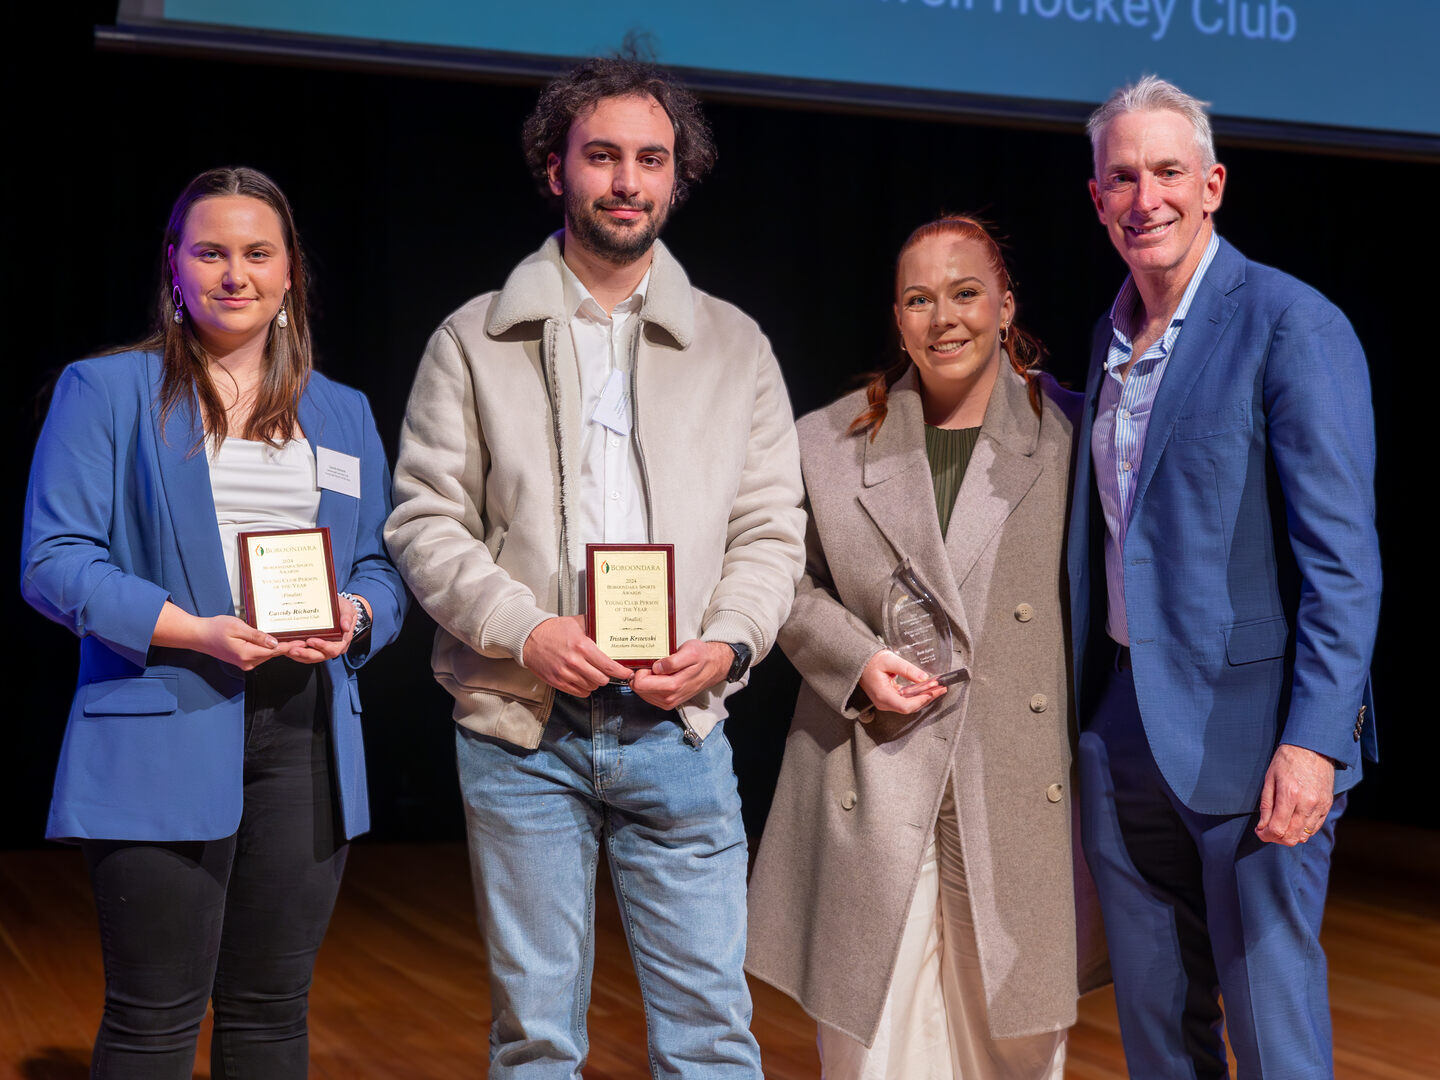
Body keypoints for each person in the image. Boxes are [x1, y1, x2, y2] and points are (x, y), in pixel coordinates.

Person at [383, 56, 806, 1078]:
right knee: (535, 1038)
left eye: (651, 159)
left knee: (712, 1034)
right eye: (603, 156)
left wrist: (729, 643)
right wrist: (525, 630)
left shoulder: (735, 346)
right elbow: (425, 522)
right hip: (522, 726)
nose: (627, 181)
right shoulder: (473, 339)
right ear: (553, 168)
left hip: (679, 722)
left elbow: (771, 529)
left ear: (679, 175)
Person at [21, 166, 407, 1079]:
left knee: (274, 1013)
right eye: (212, 252)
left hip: (307, 730)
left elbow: (383, 570)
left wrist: (352, 617)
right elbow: (54, 561)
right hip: (166, 711)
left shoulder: (342, 411)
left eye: (257, 254)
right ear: (176, 267)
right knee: (155, 1018)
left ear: (290, 275)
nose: (235, 273)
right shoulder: (106, 391)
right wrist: (195, 631)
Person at [1068, 76, 1381, 1078]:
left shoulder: (1292, 323)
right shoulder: (1111, 335)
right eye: (1122, 177)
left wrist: (1315, 743)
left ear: (1212, 185)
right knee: (1161, 1036)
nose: (1143, 197)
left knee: (1275, 1032)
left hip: (1258, 742)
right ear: (1096, 198)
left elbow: (1345, 562)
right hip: (1124, 734)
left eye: (1166, 172)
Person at [746, 216, 1106, 1080]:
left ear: (1006, 305)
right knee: (876, 1051)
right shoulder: (825, 443)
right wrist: (857, 662)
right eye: (919, 298)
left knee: (1013, 1051)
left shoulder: (1073, 437)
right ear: (897, 319)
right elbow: (777, 581)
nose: (943, 317)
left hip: (1015, 783)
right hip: (874, 768)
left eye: (965, 292)